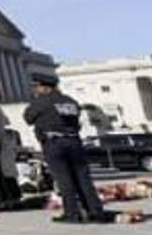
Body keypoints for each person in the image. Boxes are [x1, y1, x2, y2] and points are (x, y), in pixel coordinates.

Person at [23, 73, 108, 224]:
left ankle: (72, 214)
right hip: (74, 141)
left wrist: (35, 102)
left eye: (37, 87)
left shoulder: (42, 102)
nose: (36, 89)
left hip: (54, 143)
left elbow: (28, 118)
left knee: (64, 180)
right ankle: (95, 211)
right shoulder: (70, 101)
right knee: (83, 178)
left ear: (45, 87)